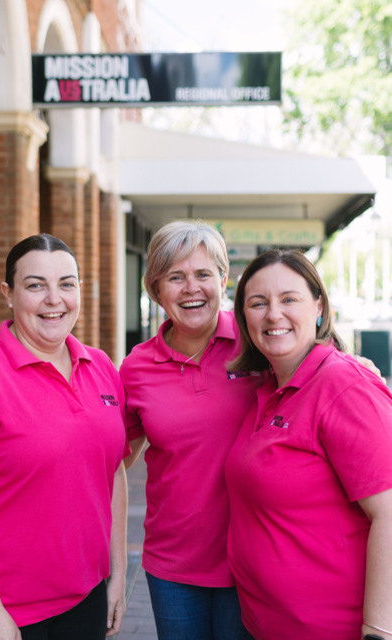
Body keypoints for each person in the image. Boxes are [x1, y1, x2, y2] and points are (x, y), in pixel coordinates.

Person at [0, 233, 129, 640]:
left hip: (84, 601)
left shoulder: (101, 366)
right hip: (3, 613)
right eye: (36, 285)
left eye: (66, 284)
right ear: (9, 294)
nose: (54, 299)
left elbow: (114, 471)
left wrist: (117, 572)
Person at [225, 248, 392, 640]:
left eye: (289, 299)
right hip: (265, 624)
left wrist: (378, 631)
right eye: (258, 302)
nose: (273, 314)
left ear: (318, 307)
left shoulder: (343, 386)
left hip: (332, 629)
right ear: (243, 318)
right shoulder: (268, 387)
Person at [120, 220, 266, 640]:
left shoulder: (258, 343)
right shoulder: (136, 368)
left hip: (253, 560)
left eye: (203, 274)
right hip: (174, 566)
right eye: (176, 277)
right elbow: (113, 462)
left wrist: (359, 367)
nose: (191, 288)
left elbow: (318, 371)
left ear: (223, 280)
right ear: (156, 289)